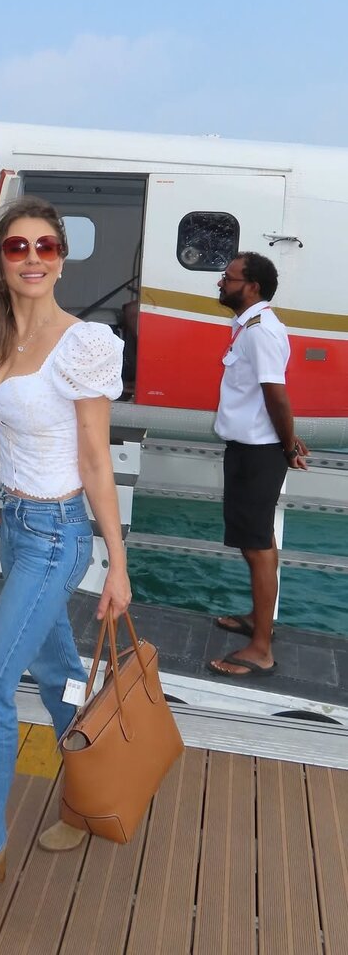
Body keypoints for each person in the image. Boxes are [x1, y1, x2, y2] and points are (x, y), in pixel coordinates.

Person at [0, 197, 132, 921]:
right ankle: (89, 800)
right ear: (0, 260)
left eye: (46, 246)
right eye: (17, 247)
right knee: (57, 676)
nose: (33, 258)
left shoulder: (83, 344)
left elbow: (95, 458)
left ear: (61, 258)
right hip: (17, 527)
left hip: (57, 536)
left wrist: (117, 564)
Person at [209, 252, 308, 679]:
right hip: (253, 448)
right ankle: (258, 620)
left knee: (257, 548)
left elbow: (275, 394)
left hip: (258, 453)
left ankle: (261, 649)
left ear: (251, 286)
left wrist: (287, 445)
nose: (221, 283)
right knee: (259, 538)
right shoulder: (250, 326)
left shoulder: (260, 331)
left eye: (228, 278)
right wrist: (285, 439)